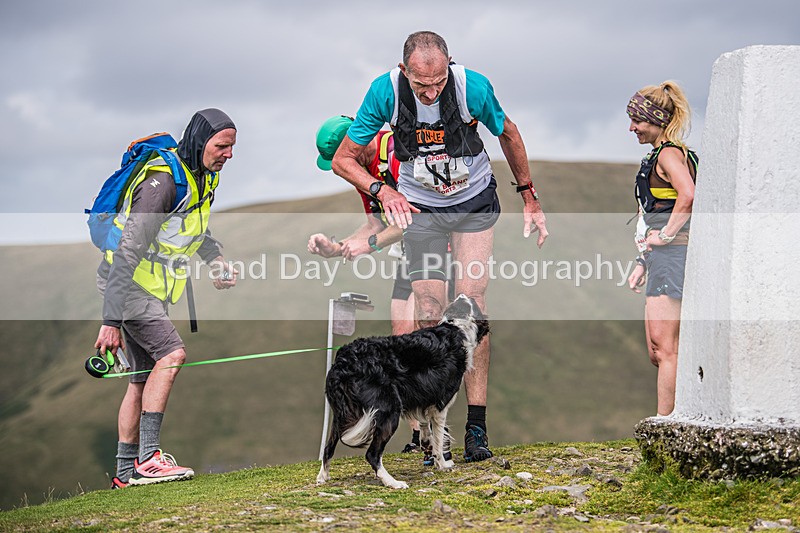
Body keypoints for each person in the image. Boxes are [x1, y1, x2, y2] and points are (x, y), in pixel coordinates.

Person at [331, 31, 548, 462]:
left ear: (450, 64)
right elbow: (343, 159)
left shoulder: (473, 87)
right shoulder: (384, 93)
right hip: (422, 209)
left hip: (473, 202)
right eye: (420, 84)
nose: (431, 91)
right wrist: (383, 190)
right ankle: (433, 433)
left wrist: (528, 194)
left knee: (471, 302)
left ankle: (476, 428)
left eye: (438, 81)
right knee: (430, 311)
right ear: (403, 71)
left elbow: (510, 135)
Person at [94, 109, 239, 488]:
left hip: (150, 289)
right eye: (222, 146)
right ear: (200, 141)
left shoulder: (200, 177)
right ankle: (149, 459)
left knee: (141, 379)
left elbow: (193, 228)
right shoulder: (163, 181)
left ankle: (126, 473)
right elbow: (128, 250)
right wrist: (110, 322)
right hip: (128, 287)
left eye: (232, 147)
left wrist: (216, 260)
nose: (228, 154)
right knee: (172, 355)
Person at [309, 115, 425, 453]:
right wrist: (336, 247)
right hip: (409, 254)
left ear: (354, 146)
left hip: (439, 247)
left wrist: (371, 246)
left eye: (341, 159)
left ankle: (442, 431)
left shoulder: (397, 153)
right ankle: (417, 436)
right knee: (402, 335)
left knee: (426, 335)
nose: (340, 170)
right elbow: (375, 223)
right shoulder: (362, 173)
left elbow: (414, 216)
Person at [626, 81, 697, 417]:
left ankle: (666, 425)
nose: (632, 128)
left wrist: (665, 237)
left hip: (673, 256)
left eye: (637, 120)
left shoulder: (669, 154)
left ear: (654, 119)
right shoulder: (660, 154)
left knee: (666, 347)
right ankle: (674, 418)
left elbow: (688, 195)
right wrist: (643, 259)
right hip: (660, 259)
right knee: (657, 349)